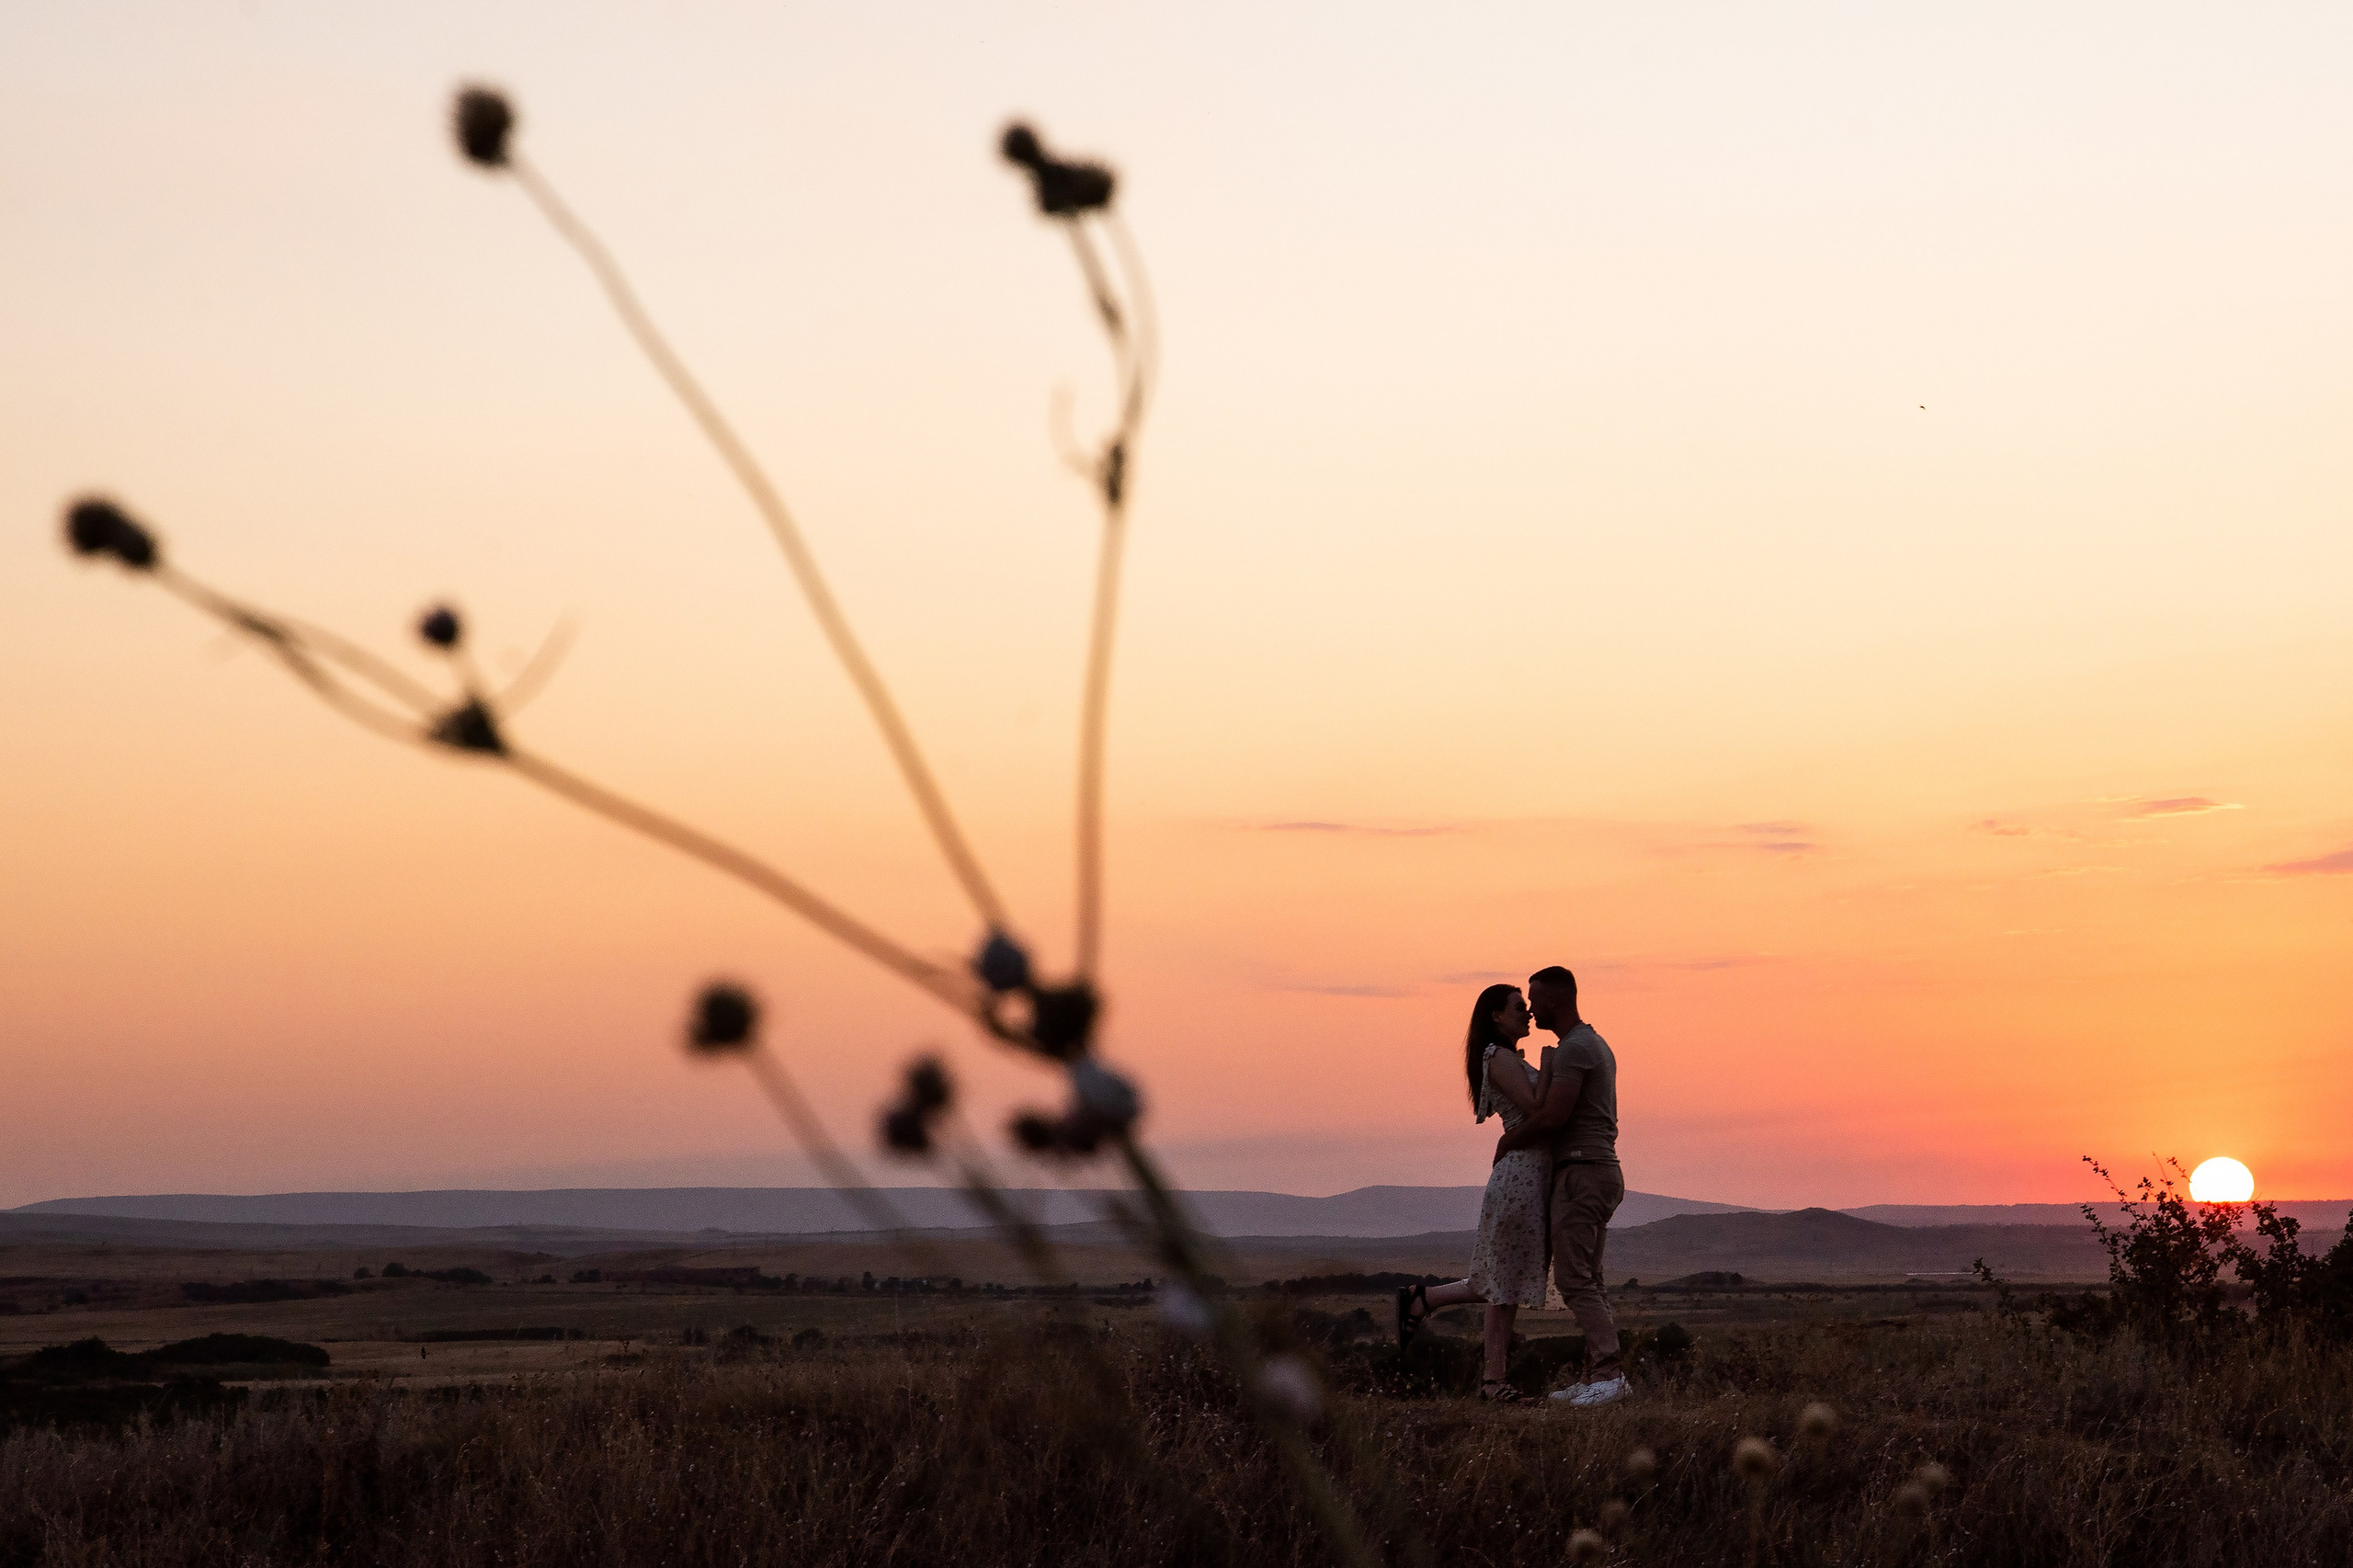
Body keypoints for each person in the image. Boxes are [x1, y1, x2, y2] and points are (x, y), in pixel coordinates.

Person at [1394, 983, 1553, 1402]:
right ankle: (1493, 1384)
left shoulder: (1506, 1057)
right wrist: (1552, 1063)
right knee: (1503, 1286)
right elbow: (1538, 1109)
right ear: (1496, 1016)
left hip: (1529, 1178)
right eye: (1519, 1007)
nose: (1528, 1013)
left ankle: (1423, 1299)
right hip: (1520, 1180)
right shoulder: (1497, 1057)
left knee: (1503, 1282)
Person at [1493, 964, 1629, 1406]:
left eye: (1534, 999)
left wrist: (1507, 1139)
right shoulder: (1592, 1044)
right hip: (1597, 1170)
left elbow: (1553, 1115)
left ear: (1554, 998)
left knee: (1573, 1281)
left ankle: (1608, 1375)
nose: (1531, 1009)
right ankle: (1598, 1377)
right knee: (1589, 1277)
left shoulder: (1574, 1049)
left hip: (1581, 1173)